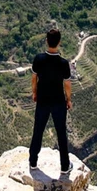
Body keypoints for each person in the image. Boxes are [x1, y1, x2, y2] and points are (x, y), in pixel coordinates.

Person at [29, 27, 72, 173]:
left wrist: (34, 93)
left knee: (38, 130)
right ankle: (65, 167)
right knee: (61, 133)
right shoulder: (63, 63)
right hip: (58, 101)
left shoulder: (39, 59)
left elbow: (34, 78)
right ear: (59, 42)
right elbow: (67, 84)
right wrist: (68, 99)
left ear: (47, 41)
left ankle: (33, 162)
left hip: (42, 100)